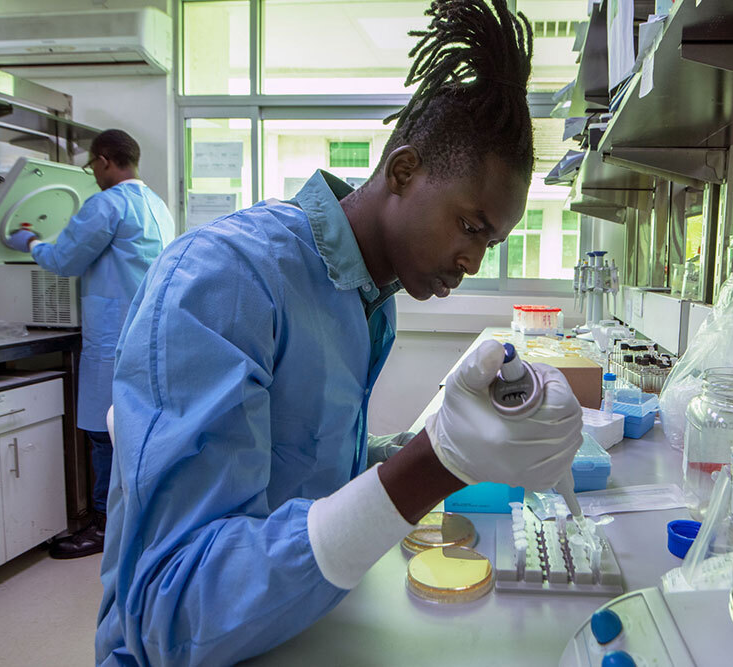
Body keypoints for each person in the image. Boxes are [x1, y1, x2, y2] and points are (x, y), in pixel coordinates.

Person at [96, 1, 583, 664]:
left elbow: (305, 470)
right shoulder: (227, 278)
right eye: (471, 227)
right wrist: (433, 460)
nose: (474, 261)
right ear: (404, 170)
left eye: (492, 243)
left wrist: (448, 448)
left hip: (290, 630)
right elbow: (172, 612)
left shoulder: (365, 296)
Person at [3, 129, 175, 559]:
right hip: (147, 335)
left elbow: (64, 260)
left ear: (102, 161)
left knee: (102, 433)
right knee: (135, 431)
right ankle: (133, 520)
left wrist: (31, 242)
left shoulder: (108, 203)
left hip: (110, 338)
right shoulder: (156, 206)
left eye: (91, 167)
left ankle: (101, 527)